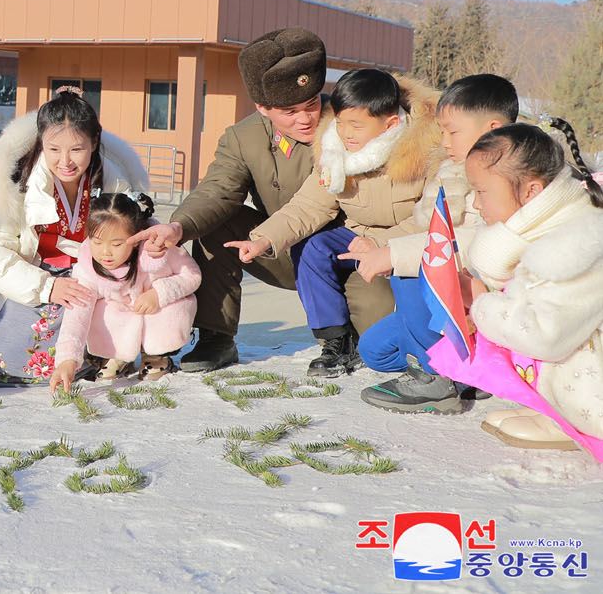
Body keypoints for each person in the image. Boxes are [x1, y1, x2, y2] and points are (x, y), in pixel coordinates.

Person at [165, 28, 395, 373]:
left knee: (383, 343)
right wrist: (177, 226)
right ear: (263, 108)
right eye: (289, 111)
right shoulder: (243, 138)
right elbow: (218, 191)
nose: (305, 119)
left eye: (312, 104)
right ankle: (216, 336)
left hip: (347, 254)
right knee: (217, 224)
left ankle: (344, 335)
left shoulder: (350, 124)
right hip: (275, 248)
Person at [0, 88, 164, 387]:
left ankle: (122, 352)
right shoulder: (16, 185)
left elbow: (133, 231)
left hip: (90, 273)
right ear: (41, 143)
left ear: (94, 142)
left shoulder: (113, 182)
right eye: (54, 149)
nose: (65, 161)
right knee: (19, 345)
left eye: (76, 149)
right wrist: (47, 286)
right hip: (25, 275)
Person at [230, 68, 441, 377]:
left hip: (405, 245)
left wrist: (382, 245)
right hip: (354, 236)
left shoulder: (424, 152)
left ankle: (388, 342)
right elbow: (308, 205)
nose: (345, 133)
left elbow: (431, 220)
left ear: (391, 123)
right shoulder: (334, 151)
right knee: (312, 247)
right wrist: (264, 239)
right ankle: (334, 342)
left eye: (356, 125)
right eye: (340, 122)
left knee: (375, 329)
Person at [427, 121, 603, 460]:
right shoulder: (542, 225)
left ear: (531, 191)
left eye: (482, 192)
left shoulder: (575, 246)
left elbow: (546, 335)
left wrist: (481, 299)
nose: (476, 205)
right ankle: (551, 406)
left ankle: (577, 417)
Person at [355, 75, 518, 413]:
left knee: (409, 274)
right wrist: (377, 246)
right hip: (448, 298)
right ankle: (466, 370)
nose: (444, 142)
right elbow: (425, 232)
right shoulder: (449, 171)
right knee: (373, 350)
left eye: (453, 132)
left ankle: (438, 378)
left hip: (486, 293)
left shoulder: (509, 177)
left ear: (492, 127)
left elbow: (476, 240)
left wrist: (396, 255)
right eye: (442, 132)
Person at [49, 192, 200, 393]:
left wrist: (159, 294)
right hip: (122, 315)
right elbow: (77, 314)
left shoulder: (158, 249)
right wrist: (67, 359)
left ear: (136, 238)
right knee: (98, 308)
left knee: (171, 308)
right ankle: (116, 356)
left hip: (156, 311)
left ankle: (156, 355)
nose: (106, 252)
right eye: (97, 242)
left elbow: (191, 275)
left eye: (117, 244)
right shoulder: (87, 267)